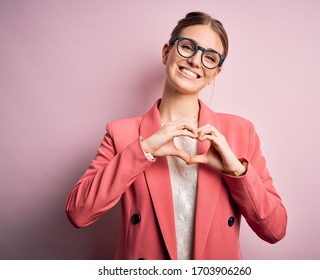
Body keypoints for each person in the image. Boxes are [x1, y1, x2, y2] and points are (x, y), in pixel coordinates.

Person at [65, 11, 287, 260]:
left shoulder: (240, 132)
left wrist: (236, 170)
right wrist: (144, 149)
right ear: (166, 52)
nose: (195, 60)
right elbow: (78, 213)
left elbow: (275, 230)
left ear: (216, 73)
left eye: (210, 57)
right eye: (187, 47)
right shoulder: (121, 133)